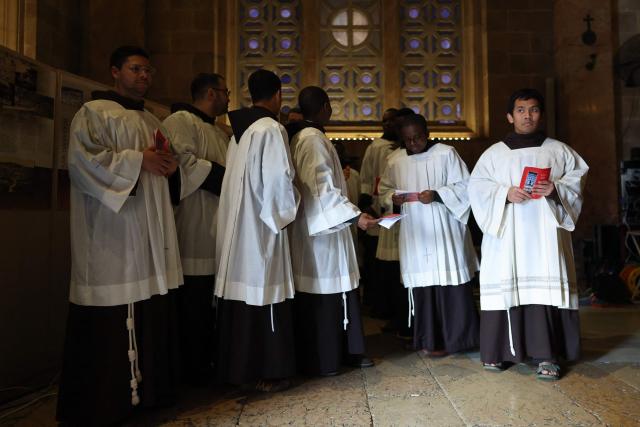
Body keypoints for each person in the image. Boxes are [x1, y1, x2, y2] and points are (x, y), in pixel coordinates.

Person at [57, 46, 183, 426]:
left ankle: (151, 394)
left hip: (149, 232)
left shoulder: (153, 119)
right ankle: (109, 401)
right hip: (113, 233)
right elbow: (83, 164)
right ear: (115, 72)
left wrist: (169, 165)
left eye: (148, 70)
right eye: (135, 69)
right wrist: (137, 160)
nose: (144, 76)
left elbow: (165, 168)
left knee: (151, 308)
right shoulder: (93, 113)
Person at [468, 88, 589, 380]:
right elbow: (477, 189)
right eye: (521, 110)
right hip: (507, 234)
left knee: (544, 285)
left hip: (545, 235)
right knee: (506, 287)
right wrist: (504, 194)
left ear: (541, 114)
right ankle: (499, 352)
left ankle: (547, 355)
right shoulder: (494, 154)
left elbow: (578, 179)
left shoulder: (558, 151)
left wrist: (556, 189)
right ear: (510, 116)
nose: (527, 116)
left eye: (533, 110)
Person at [214, 69, 299, 391]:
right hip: (262, 228)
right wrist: (290, 210)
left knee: (242, 295)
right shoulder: (271, 129)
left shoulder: (238, 132)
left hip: (239, 228)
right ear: (277, 95)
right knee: (265, 290)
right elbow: (279, 181)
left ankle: (238, 371)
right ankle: (269, 370)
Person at [287, 86, 378, 376]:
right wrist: (355, 217)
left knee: (333, 288)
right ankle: (326, 357)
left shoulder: (307, 136)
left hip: (323, 226)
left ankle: (342, 351)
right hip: (321, 234)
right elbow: (320, 189)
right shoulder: (312, 139)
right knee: (326, 288)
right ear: (326, 107)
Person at [380, 113, 480, 357]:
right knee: (422, 284)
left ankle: (458, 339)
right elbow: (383, 189)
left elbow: (466, 187)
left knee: (449, 280)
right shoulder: (395, 160)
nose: (414, 144)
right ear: (402, 140)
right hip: (415, 230)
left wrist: (437, 194)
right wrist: (391, 197)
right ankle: (429, 339)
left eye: (418, 138)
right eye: (408, 140)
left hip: (444, 228)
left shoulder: (446, 153)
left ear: (427, 134)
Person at [162, 73, 230, 385]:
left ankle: (209, 360)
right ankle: (192, 368)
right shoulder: (180, 121)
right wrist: (227, 180)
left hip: (216, 225)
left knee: (210, 305)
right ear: (212, 93)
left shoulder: (218, 131)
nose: (229, 99)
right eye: (226, 92)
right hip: (193, 225)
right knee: (193, 304)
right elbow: (181, 164)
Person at [359, 108, 398, 316]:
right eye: (385, 121)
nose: (388, 124)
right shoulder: (376, 147)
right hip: (377, 207)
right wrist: (368, 203)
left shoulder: (401, 148)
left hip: (396, 208)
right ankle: (376, 302)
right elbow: (366, 177)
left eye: (391, 121)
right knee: (376, 259)